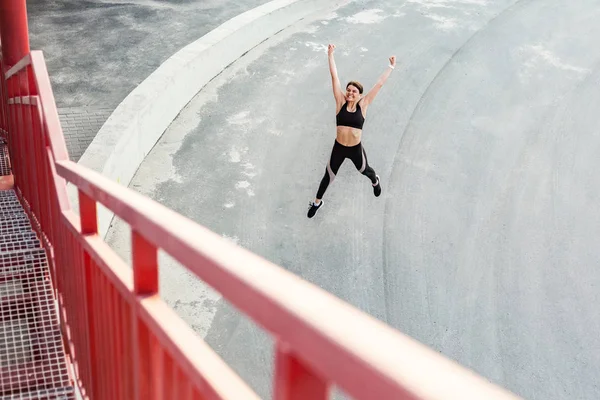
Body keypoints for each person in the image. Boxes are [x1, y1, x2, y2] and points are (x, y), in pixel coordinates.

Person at [307, 44, 396, 218]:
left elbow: (379, 84)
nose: (349, 92)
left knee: (365, 170)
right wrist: (330, 55)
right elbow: (334, 77)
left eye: (354, 91)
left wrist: (391, 67)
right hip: (339, 147)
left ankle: (375, 180)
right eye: (348, 90)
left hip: (355, 149)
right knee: (328, 176)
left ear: (360, 95)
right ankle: (317, 202)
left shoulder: (363, 105)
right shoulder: (340, 102)